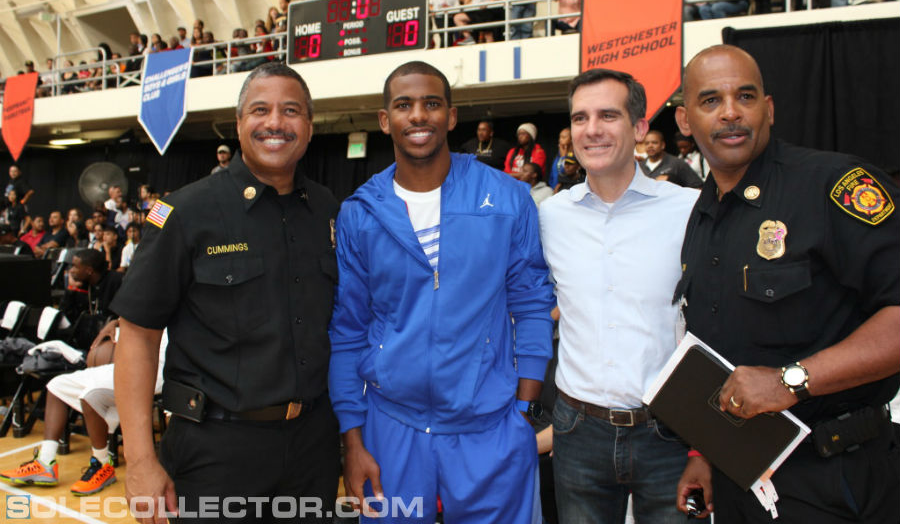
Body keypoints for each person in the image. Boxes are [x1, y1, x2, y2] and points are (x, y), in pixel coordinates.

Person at [673, 45, 899, 523]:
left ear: (768, 110)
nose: (730, 112)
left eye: (746, 97)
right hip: (743, 479)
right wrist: (704, 456)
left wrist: (791, 380)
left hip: (834, 476)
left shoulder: (831, 184)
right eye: (710, 100)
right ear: (685, 121)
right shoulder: (703, 214)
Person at [111, 62, 341, 523]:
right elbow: (137, 336)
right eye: (261, 110)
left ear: (310, 128)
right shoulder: (183, 212)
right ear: (239, 124)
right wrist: (139, 461)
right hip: (216, 452)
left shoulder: (329, 211)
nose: (275, 122)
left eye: (291, 111)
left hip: (313, 447)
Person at [329, 60, 554, 523]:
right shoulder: (361, 212)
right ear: (384, 120)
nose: (418, 116)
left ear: (451, 117)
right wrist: (353, 436)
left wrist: (524, 409)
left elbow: (531, 303)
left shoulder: (508, 198)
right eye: (403, 105)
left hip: (489, 426)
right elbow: (348, 330)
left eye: (431, 104)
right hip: (391, 425)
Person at [539, 68, 699, 524]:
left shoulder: (687, 210)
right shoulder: (551, 217)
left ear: (641, 127)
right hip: (577, 432)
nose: (591, 129)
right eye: (580, 118)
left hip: (668, 431)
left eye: (608, 115)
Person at [0, 249, 149, 496]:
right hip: (125, 362)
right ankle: (46, 463)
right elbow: (128, 317)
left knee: (91, 393)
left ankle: (102, 464)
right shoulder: (143, 291)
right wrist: (114, 323)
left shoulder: (172, 294)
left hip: (153, 366)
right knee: (57, 384)